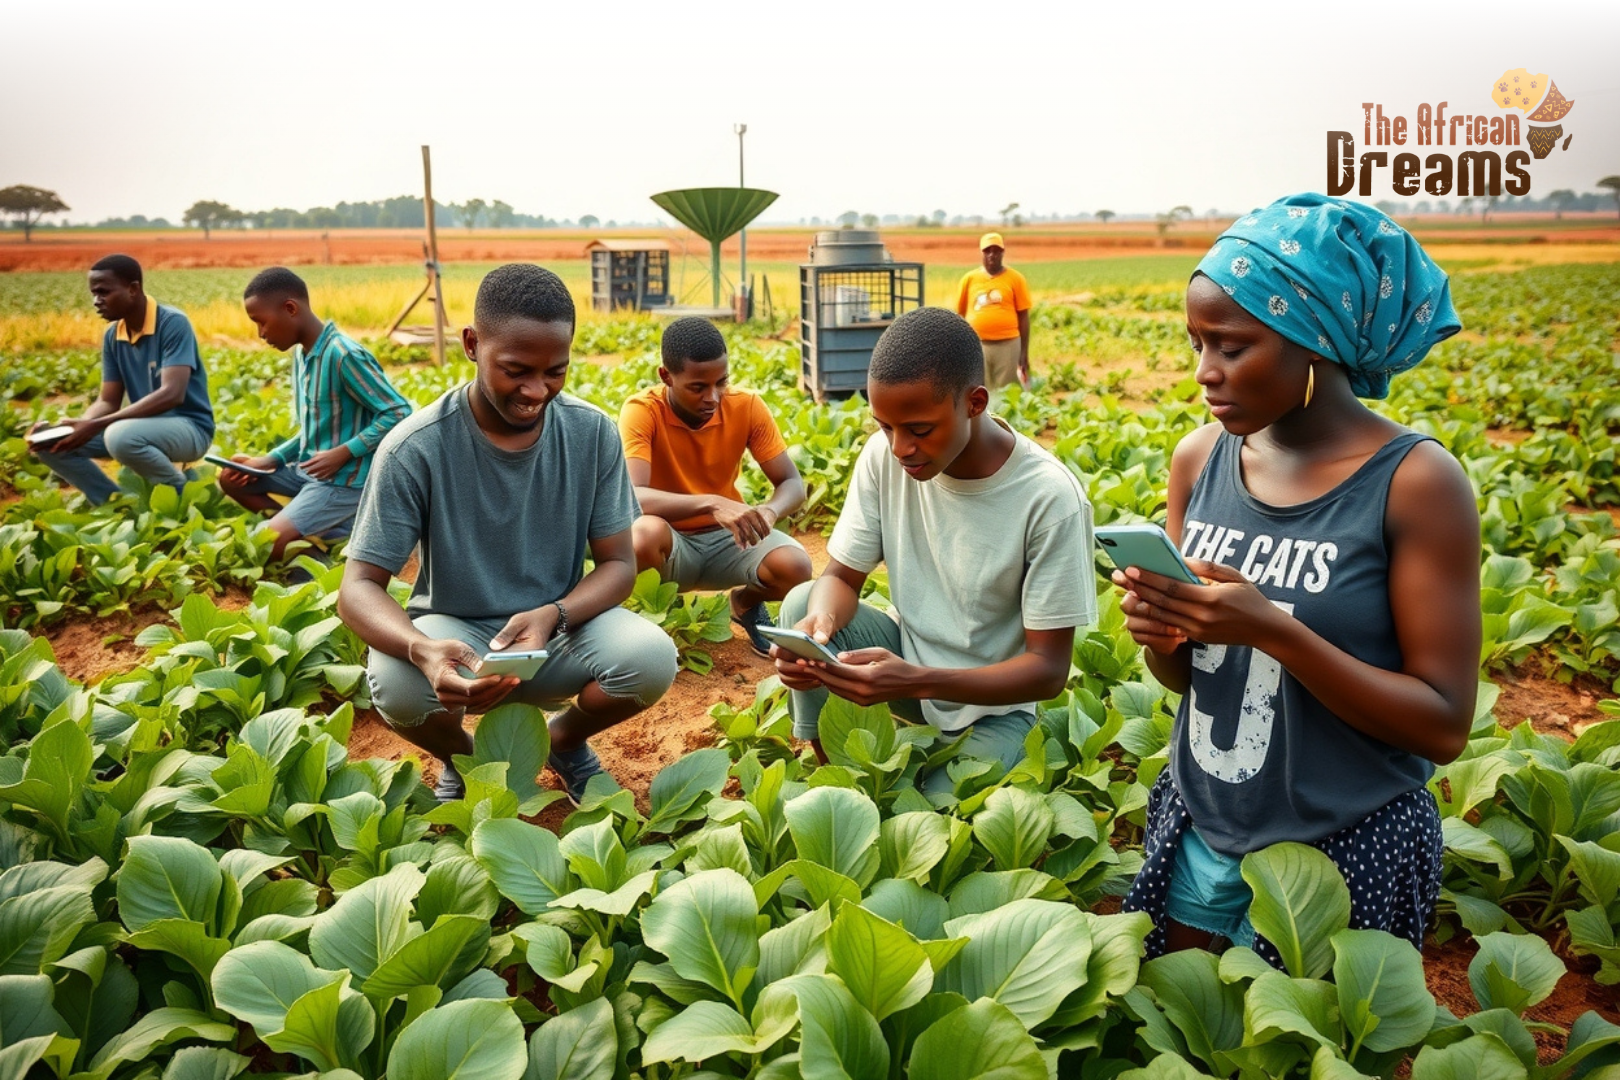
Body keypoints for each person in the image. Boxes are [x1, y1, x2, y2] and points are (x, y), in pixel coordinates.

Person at [1114, 194, 1480, 965]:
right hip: (1203, 821)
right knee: (1190, 1036)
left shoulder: (1415, 482)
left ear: (1314, 340)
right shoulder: (1199, 460)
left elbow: (1443, 726)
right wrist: (1163, 635)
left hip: (1345, 842)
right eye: (1196, 343)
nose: (1205, 373)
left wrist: (1274, 629)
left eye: (1232, 346)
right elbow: (1189, 679)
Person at [336, 263, 678, 803]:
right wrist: (423, 651)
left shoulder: (590, 434)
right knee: (396, 685)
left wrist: (556, 614)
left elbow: (618, 565)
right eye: (516, 370)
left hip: (558, 631)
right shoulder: (415, 447)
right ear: (472, 344)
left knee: (650, 658)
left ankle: (561, 744)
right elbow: (357, 588)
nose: (536, 390)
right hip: (459, 634)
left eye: (555, 372)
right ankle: (470, 761)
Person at [771, 307, 1095, 791]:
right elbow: (840, 578)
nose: (900, 447)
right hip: (903, 666)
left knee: (935, 806)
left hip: (992, 709)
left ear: (975, 403)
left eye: (919, 430)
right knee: (804, 602)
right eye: (885, 426)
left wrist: (917, 679)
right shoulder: (885, 458)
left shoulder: (1049, 498)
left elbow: (1047, 670)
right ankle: (828, 764)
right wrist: (817, 631)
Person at [620, 316, 814, 656]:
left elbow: (792, 483)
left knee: (795, 567)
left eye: (721, 382)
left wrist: (769, 512)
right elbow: (633, 497)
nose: (712, 397)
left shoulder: (747, 406)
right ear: (666, 376)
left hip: (729, 541)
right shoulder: (642, 411)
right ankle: (660, 614)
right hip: (670, 545)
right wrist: (710, 503)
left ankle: (744, 603)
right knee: (643, 534)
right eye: (698, 387)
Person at [219, 267, 412, 561]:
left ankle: (307, 544)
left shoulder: (343, 354)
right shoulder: (302, 353)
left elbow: (399, 412)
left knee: (263, 544)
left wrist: (344, 452)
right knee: (232, 476)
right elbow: (314, 429)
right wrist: (271, 460)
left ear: (290, 309)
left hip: (343, 483)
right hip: (308, 472)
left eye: (262, 322)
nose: (261, 334)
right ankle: (305, 533)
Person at [31, 254, 214, 503]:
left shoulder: (172, 323)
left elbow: (173, 393)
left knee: (121, 436)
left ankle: (179, 496)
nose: (97, 301)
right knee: (52, 445)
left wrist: (97, 425)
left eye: (103, 292)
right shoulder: (113, 336)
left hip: (189, 429)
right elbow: (107, 400)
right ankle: (113, 503)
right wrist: (75, 428)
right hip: (138, 427)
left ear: (133, 289)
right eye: (94, 294)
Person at [955, 232, 1032, 389]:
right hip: (978, 345)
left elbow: (1023, 316)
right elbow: (960, 315)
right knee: (979, 389)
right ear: (982, 253)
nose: (992, 255)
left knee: (1007, 390)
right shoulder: (969, 279)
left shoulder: (1015, 278)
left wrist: (1023, 353)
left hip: (1008, 344)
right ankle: (983, 415)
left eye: (996, 251)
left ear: (1002, 253)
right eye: (987, 251)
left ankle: (1004, 415)